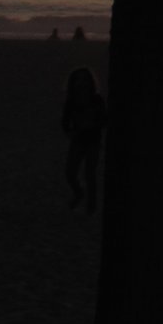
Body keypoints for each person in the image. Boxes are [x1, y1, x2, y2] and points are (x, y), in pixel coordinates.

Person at [61, 67, 107, 214]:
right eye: (78, 79)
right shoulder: (71, 101)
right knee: (70, 173)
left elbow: (104, 119)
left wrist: (92, 123)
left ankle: (91, 208)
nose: (81, 82)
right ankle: (79, 192)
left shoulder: (96, 100)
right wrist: (70, 132)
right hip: (78, 140)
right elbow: (64, 122)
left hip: (93, 140)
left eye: (85, 79)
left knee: (90, 174)